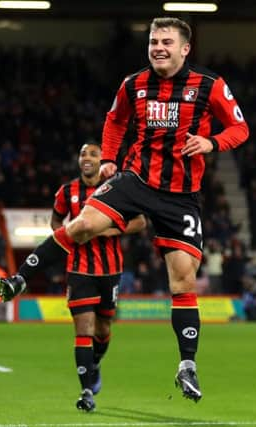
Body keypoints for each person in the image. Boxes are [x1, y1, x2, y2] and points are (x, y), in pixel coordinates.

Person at [0, 16, 249, 405]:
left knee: (183, 282)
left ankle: (187, 365)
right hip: (135, 181)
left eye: (166, 41)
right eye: (153, 41)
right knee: (81, 225)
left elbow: (239, 128)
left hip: (181, 196)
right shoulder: (134, 84)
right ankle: (20, 278)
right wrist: (110, 158)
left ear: (185, 48)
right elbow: (115, 121)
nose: (158, 47)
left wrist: (212, 143)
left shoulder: (209, 85)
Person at [52, 142, 146, 411]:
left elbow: (140, 222)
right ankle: (85, 391)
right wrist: (68, 237)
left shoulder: (117, 189)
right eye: (83, 153)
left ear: (102, 159)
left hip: (110, 270)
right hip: (79, 270)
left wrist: (111, 231)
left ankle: (94, 364)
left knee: (103, 329)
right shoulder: (66, 191)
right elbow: (56, 222)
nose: (87, 158)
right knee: (84, 330)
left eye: (93, 153)